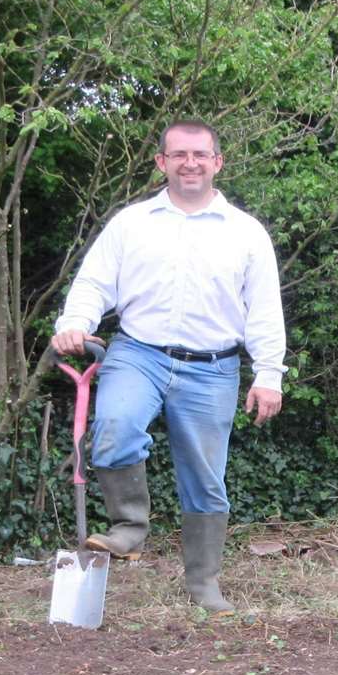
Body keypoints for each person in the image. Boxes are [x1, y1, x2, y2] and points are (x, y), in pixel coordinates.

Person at [49, 119, 286, 614]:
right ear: (162, 163)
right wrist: (75, 322)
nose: (190, 163)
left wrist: (269, 374)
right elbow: (94, 283)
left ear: (218, 162)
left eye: (200, 154)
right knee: (115, 424)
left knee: (204, 479)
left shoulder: (246, 234)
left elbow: (264, 309)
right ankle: (129, 527)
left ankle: (203, 584)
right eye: (178, 155)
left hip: (214, 367)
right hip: (139, 353)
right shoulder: (132, 223)